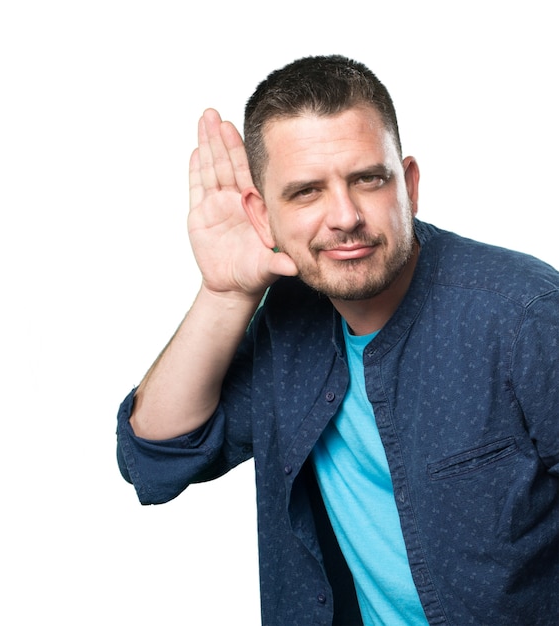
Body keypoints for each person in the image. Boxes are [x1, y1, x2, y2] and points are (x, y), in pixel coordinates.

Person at [116, 55, 559, 625]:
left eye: (367, 179)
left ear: (410, 184)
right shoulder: (289, 320)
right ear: (262, 213)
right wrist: (224, 294)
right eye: (305, 192)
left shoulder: (524, 315)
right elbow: (155, 459)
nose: (345, 216)